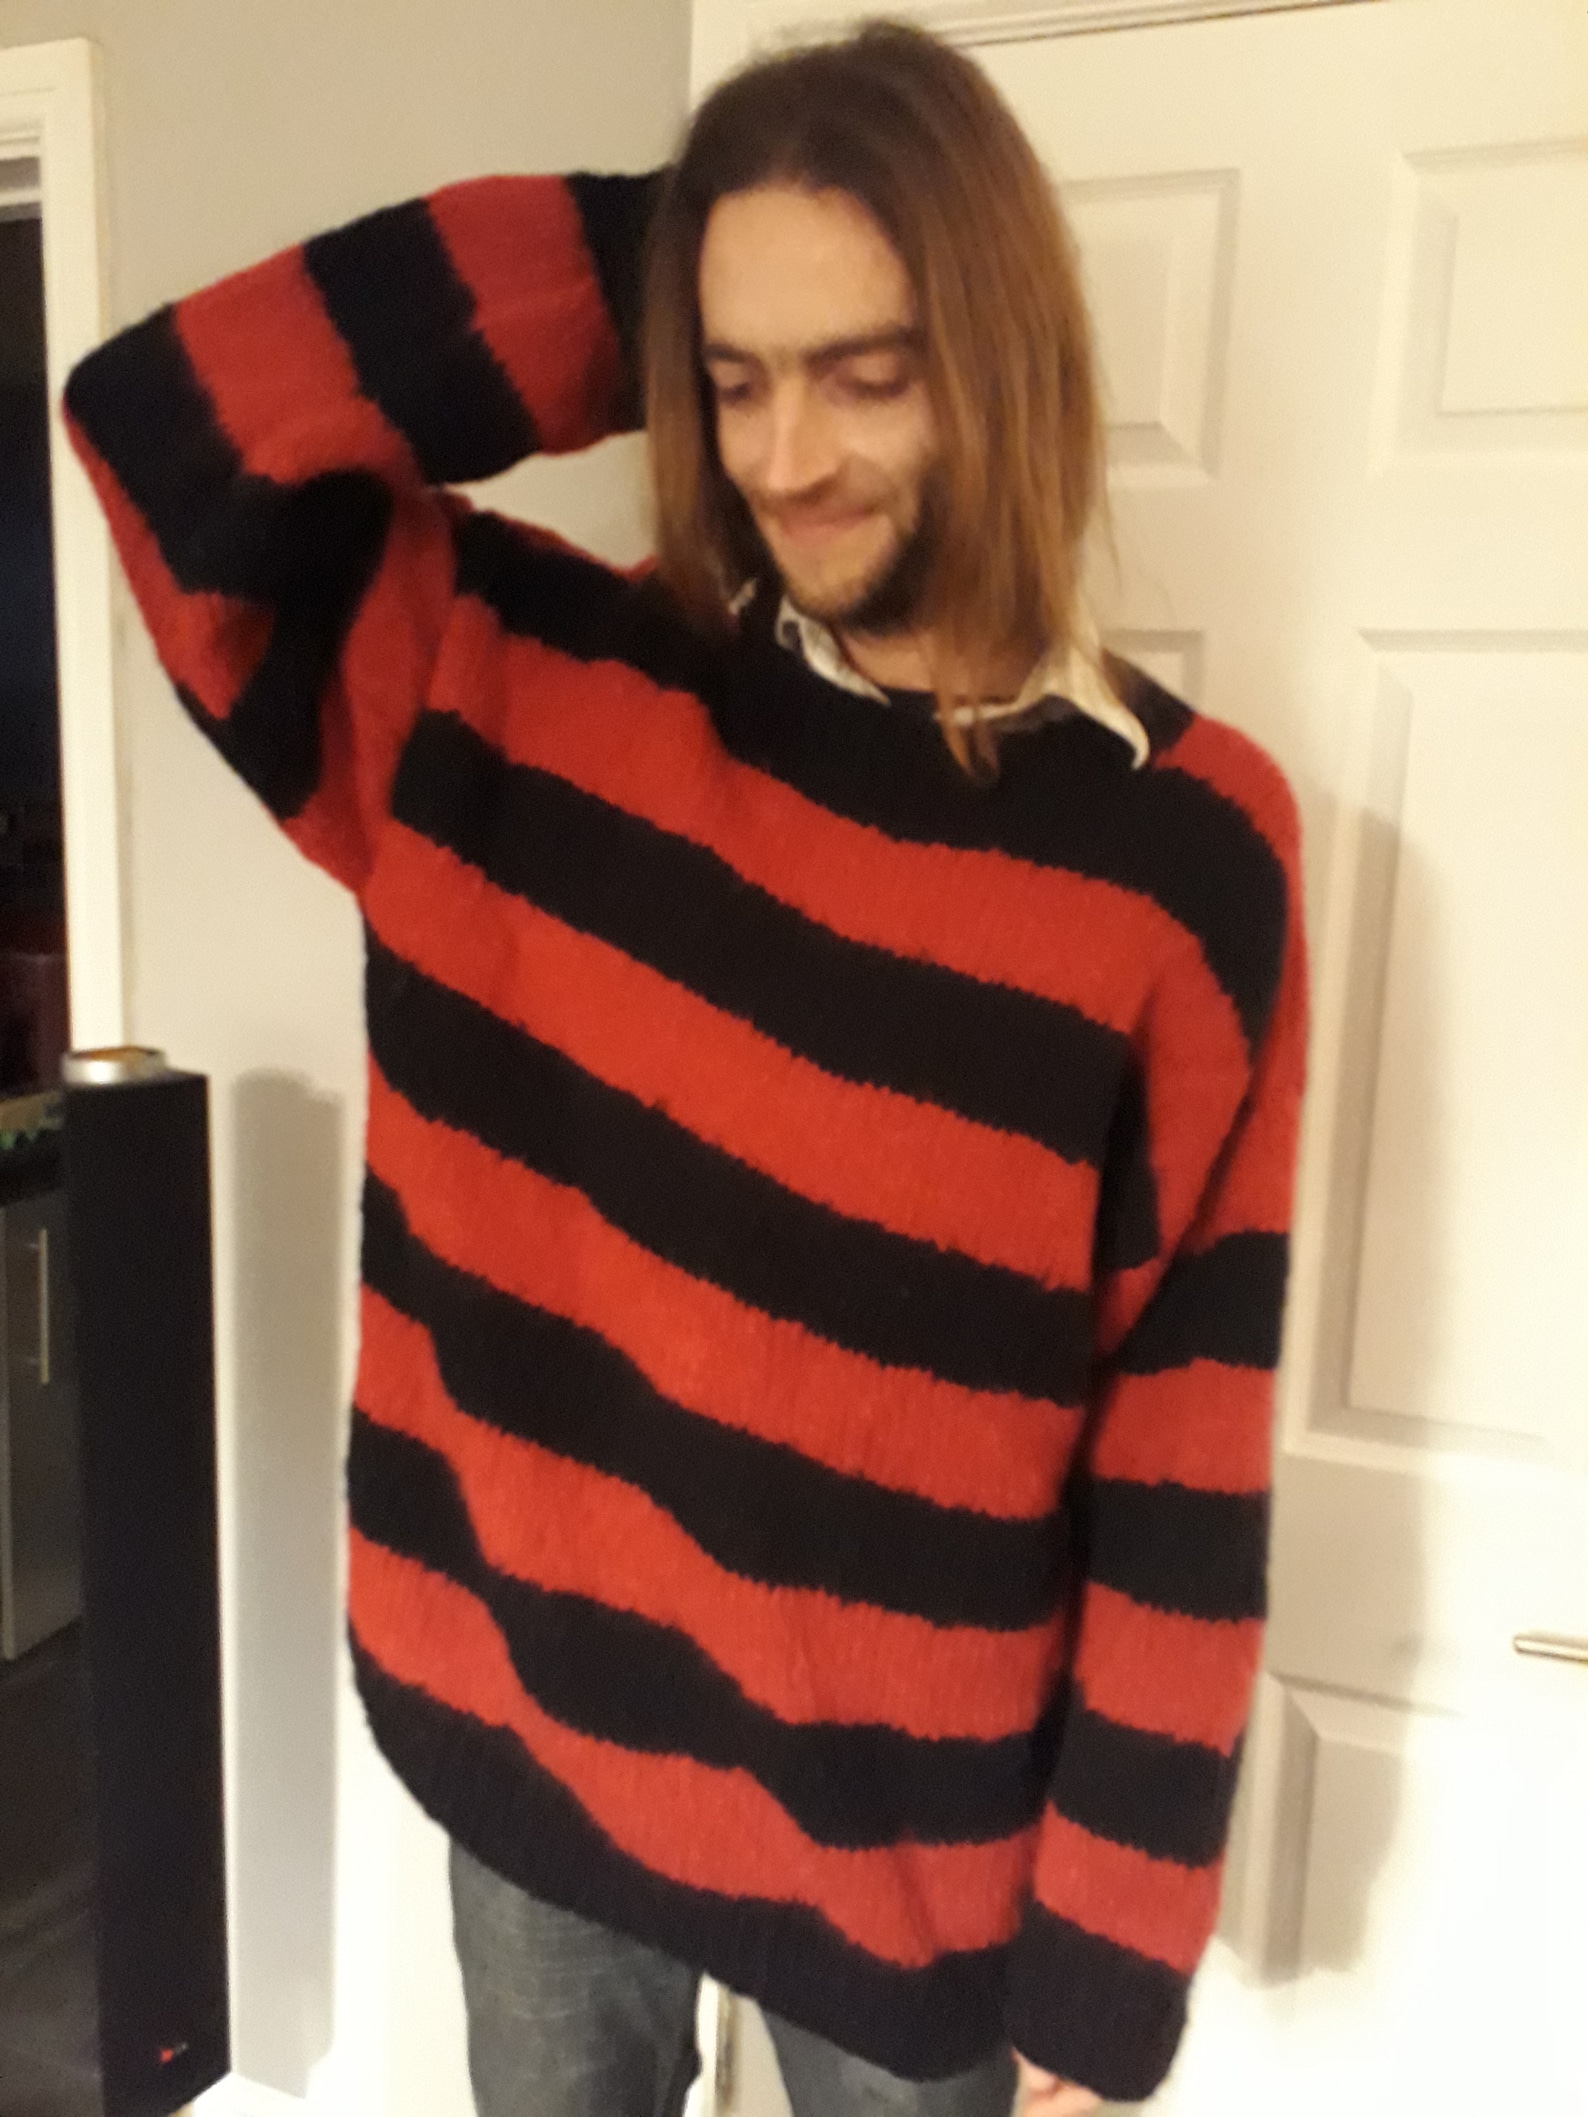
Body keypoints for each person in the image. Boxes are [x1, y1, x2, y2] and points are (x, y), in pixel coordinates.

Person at [64, 20, 1306, 2117]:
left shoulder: (1181, 858)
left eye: (865, 370)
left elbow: (1183, 1449)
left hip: (911, 1872)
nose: (783, 458)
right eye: (732, 380)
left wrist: (1104, 1979)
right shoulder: (514, 687)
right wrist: (668, 260)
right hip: (540, 1762)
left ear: (1000, 353)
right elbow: (179, 430)